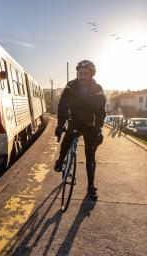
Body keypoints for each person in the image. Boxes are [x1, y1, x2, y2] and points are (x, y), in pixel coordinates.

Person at [54, 60, 106, 199]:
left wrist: (99, 128)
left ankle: (91, 186)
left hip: (90, 124)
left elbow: (101, 111)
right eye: (80, 73)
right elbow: (63, 105)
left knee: (90, 156)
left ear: (91, 74)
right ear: (77, 73)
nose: (82, 76)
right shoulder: (71, 85)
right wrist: (60, 124)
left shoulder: (97, 88)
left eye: (86, 74)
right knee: (68, 138)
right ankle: (60, 160)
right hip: (75, 122)